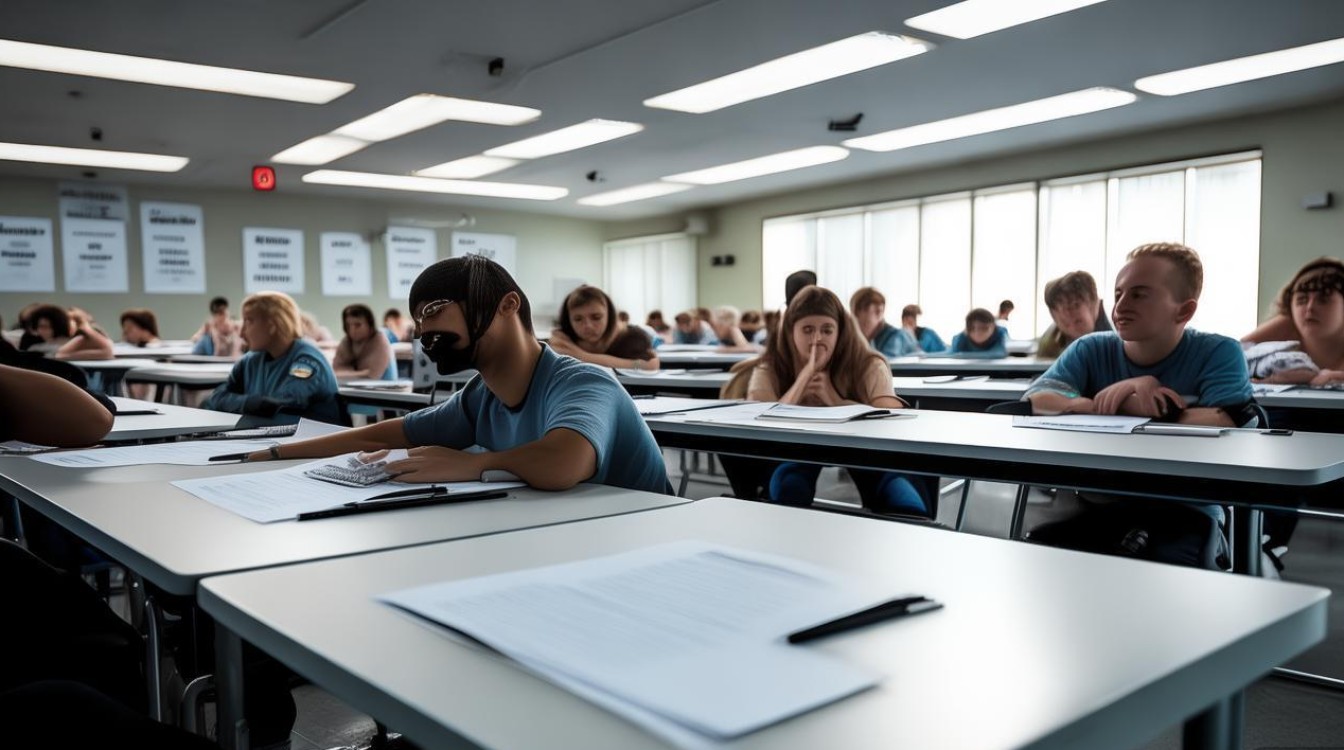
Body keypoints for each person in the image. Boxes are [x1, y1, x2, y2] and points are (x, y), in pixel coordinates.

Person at [238, 255, 672, 495]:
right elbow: (386, 436)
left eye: (433, 311)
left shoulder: (582, 382)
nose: (424, 331)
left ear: (507, 306)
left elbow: (564, 460)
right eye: (417, 321)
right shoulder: (480, 395)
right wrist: (276, 454)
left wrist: (473, 464)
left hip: (645, 539)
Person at [1023, 242, 1255, 569]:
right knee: (1038, 556)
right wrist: (1130, 394)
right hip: (1102, 505)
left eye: (1139, 294)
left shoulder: (1219, 351)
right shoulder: (1090, 348)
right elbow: (1037, 401)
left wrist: (1117, 402)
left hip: (1187, 509)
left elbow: (1226, 421)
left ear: (1184, 311)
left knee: (1156, 566)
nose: (1121, 305)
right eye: (1118, 293)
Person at [746, 286, 935, 515]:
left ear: (840, 331)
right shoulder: (770, 365)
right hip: (792, 450)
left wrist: (835, 399)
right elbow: (755, 418)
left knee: (903, 501)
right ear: (790, 331)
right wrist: (804, 377)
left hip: (865, 450)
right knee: (789, 486)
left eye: (827, 330)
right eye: (807, 330)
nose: (817, 338)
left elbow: (892, 417)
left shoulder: (868, 362)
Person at [202, 291, 341, 425]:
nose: (242, 332)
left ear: (273, 325)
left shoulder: (307, 361)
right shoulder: (250, 361)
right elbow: (216, 398)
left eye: (249, 321)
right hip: (269, 439)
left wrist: (242, 403)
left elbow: (281, 405)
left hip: (314, 444)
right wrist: (251, 403)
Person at [1243, 257, 1344, 385]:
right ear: (1290, 306)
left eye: (1323, 300)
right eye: (1301, 300)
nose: (1310, 307)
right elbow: (1231, 357)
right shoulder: (1287, 324)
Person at [550, 285, 661, 371]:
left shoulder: (633, 336)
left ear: (610, 316)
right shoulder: (562, 341)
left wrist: (580, 356)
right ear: (568, 320)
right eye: (578, 319)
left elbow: (649, 366)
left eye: (596, 317)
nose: (588, 325)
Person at [1037, 271, 1112, 359]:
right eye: (1059, 307)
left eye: (1075, 305)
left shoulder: (1116, 339)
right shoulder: (1050, 342)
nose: (1067, 313)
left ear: (1095, 303)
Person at [333, 303, 397, 380]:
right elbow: (334, 372)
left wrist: (347, 372)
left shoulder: (380, 340)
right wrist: (362, 373)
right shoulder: (347, 341)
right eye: (348, 325)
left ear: (370, 325)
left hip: (383, 389)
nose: (352, 330)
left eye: (358, 325)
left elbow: (372, 375)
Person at [850, 287, 917, 357]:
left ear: (879, 312)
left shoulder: (895, 337)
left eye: (861, 322)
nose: (856, 325)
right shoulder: (871, 339)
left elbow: (881, 365)